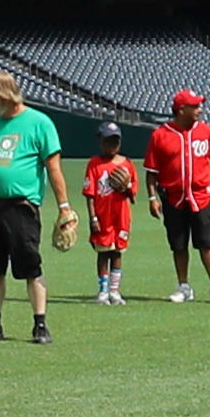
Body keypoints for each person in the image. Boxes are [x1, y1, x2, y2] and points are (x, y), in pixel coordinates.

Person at [0, 66, 75, 346]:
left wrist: (65, 207)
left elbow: (53, 169)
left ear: (5, 95)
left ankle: (40, 324)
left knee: (30, 266)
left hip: (22, 207)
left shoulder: (40, 123)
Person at [147, 90, 210, 303]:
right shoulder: (160, 135)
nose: (199, 110)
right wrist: (152, 198)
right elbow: (152, 172)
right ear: (181, 109)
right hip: (173, 198)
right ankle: (184, 286)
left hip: (200, 197)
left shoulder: (206, 131)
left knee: (206, 243)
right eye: (195, 106)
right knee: (178, 245)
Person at [83, 126, 140, 305]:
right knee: (102, 253)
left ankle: (114, 291)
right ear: (100, 141)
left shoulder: (127, 164)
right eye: (108, 141)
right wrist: (93, 218)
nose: (112, 145)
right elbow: (90, 194)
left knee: (117, 253)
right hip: (102, 217)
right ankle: (103, 291)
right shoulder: (94, 164)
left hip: (121, 217)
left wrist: (127, 187)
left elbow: (133, 194)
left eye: (116, 141)